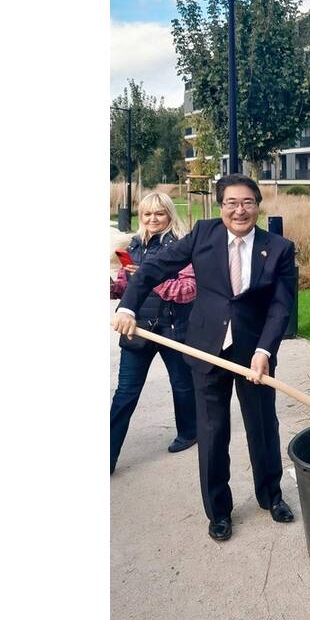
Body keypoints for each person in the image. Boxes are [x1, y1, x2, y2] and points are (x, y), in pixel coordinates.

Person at [112, 174, 296, 542]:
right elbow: (152, 269)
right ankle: (219, 511)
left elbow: (281, 306)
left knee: (262, 427)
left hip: (253, 353)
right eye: (231, 203)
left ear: (258, 206)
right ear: (220, 206)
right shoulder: (203, 234)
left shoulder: (278, 248)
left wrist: (264, 351)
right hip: (204, 348)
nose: (239, 210)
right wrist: (128, 307)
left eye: (247, 202)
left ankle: (271, 496)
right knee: (212, 433)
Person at [109, 192, 198, 475]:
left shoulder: (183, 248)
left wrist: (149, 278)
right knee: (125, 393)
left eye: (159, 213)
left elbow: (188, 291)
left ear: (170, 215)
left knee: (182, 386)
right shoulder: (134, 247)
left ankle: (189, 432)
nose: (152, 219)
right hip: (137, 331)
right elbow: (126, 289)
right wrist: (113, 285)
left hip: (172, 330)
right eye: (147, 214)